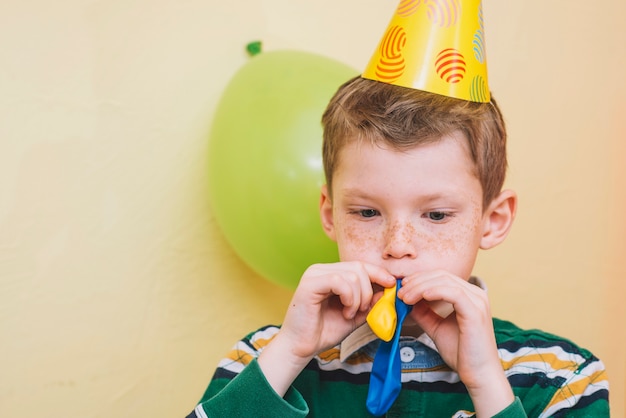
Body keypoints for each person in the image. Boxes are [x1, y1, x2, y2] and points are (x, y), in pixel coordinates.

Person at [186, 76, 610, 417]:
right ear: (330, 214)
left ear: (492, 220)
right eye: (367, 213)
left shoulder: (563, 377)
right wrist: (290, 353)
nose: (398, 247)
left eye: (437, 215)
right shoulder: (261, 361)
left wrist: (485, 383)